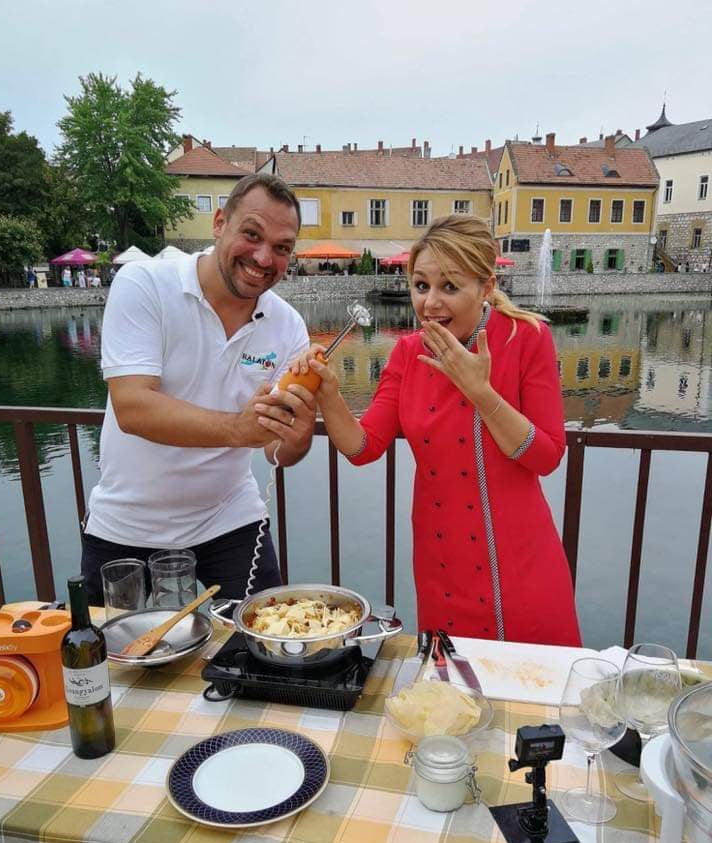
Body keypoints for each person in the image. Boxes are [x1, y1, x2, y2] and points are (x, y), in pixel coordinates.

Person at [287, 215, 581, 646]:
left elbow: (547, 456)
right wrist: (329, 393)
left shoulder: (526, 338)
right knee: (449, 699)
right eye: (421, 286)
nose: (430, 303)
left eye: (449, 286)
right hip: (442, 562)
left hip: (518, 565)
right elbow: (363, 446)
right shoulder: (407, 353)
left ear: (486, 287)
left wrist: (481, 392)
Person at [81, 173, 316, 605]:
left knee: (264, 649)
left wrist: (297, 436)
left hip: (231, 519)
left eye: (282, 248)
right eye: (251, 234)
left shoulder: (289, 325)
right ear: (219, 223)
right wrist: (239, 430)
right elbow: (133, 407)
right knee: (112, 663)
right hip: (125, 523)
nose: (264, 258)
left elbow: (275, 452)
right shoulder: (143, 284)